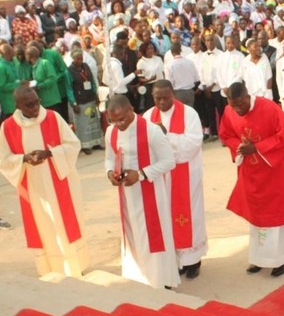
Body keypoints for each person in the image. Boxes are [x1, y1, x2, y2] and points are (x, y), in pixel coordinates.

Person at [0, 86, 89, 277]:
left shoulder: (53, 117)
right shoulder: (7, 127)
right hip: (32, 187)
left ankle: (74, 266)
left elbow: (74, 144)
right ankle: (50, 268)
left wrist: (50, 153)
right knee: (43, 225)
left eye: (37, 102)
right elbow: (3, 158)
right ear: (17, 105)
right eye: (29, 105)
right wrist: (24, 159)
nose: (35, 108)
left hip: (59, 181)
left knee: (65, 223)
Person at [218, 82, 284, 277]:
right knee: (256, 215)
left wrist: (258, 147)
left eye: (240, 104)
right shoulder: (229, 111)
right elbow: (225, 134)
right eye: (232, 105)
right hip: (251, 170)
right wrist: (240, 146)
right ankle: (259, 258)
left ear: (248, 96)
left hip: (275, 169)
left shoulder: (269, 108)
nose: (237, 109)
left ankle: (281, 259)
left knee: (277, 214)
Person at [104, 94, 180, 289]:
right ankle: (139, 277)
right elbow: (109, 158)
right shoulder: (111, 132)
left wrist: (141, 174)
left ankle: (161, 280)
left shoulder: (151, 130)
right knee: (133, 236)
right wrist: (110, 172)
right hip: (127, 196)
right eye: (113, 120)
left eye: (122, 119)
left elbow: (169, 161)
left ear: (131, 109)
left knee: (154, 236)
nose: (118, 124)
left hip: (151, 192)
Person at [144, 80, 207, 279]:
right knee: (167, 216)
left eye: (166, 97)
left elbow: (193, 143)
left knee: (189, 215)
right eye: (157, 98)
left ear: (173, 95)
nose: (162, 102)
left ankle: (193, 260)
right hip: (162, 177)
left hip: (185, 175)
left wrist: (166, 136)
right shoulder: (148, 116)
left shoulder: (189, 114)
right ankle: (176, 261)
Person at [67, 48, 102, 154]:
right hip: (80, 101)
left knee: (93, 122)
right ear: (73, 59)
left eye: (81, 58)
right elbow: (68, 88)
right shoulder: (69, 71)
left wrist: (96, 95)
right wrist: (73, 103)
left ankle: (96, 143)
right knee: (83, 124)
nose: (80, 61)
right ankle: (85, 145)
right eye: (77, 59)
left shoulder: (86, 66)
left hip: (90, 97)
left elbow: (92, 81)